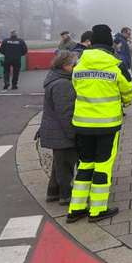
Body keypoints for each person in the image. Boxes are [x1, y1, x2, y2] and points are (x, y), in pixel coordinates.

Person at [67, 24, 132, 223]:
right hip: (107, 125)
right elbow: (129, 89)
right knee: (103, 166)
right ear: (109, 43)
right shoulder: (115, 65)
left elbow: (75, 87)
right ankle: (97, 210)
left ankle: (76, 208)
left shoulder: (79, 65)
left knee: (85, 164)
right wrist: (125, 100)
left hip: (82, 124)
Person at [39, 51, 77, 206]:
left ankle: (53, 192)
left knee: (59, 163)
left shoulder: (54, 78)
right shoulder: (63, 84)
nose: (76, 67)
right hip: (61, 132)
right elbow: (65, 113)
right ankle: (65, 195)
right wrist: (72, 134)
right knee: (66, 164)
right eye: (73, 64)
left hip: (54, 129)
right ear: (65, 65)